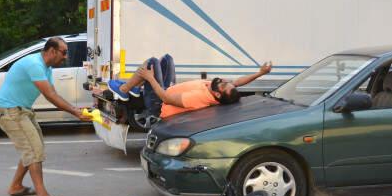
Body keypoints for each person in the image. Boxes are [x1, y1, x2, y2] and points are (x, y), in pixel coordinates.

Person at [0, 37, 88, 196]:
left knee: (33, 149)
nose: (66, 56)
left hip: (21, 110)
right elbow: (50, 96)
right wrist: (75, 112)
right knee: (33, 150)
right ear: (52, 51)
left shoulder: (46, 68)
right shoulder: (35, 64)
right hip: (11, 111)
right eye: (64, 52)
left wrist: (77, 108)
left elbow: (53, 92)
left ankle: (16, 187)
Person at [107, 55, 272, 119]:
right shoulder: (216, 89)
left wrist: (150, 78)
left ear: (218, 95)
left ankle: (123, 91)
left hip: (159, 103)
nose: (223, 80)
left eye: (223, 84)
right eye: (225, 82)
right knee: (168, 59)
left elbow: (165, 98)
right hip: (167, 89)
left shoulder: (200, 98)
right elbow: (239, 82)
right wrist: (260, 73)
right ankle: (137, 88)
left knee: (152, 63)